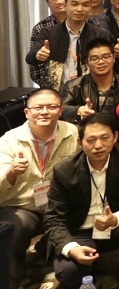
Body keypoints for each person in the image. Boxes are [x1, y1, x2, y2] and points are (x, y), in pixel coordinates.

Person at [44, 111, 119, 289]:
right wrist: (71, 248)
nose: (98, 145)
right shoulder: (64, 171)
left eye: (105, 138)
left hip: (115, 227)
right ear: (80, 143)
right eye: (91, 140)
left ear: (115, 137)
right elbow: (53, 218)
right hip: (81, 230)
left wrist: (117, 218)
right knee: (69, 273)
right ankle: (88, 265)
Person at [0, 89, 81, 287]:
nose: (44, 112)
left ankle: (50, 257)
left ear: (61, 110)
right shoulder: (9, 140)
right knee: (16, 229)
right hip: (23, 205)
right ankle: (15, 271)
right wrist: (11, 171)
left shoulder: (72, 132)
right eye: (38, 108)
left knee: (78, 225)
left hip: (59, 204)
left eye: (51, 107)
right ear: (27, 113)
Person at [26, 0, 113, 90]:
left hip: (90, 90)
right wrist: (38, 55)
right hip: (58, 90)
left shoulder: (100, 34)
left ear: (90, 7)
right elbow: (30, 58)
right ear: (65, 5)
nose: (79, 9)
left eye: (85, 5)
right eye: (74, 4)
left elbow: (110, 64)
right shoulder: (49, 32)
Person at [60, 38, 119, 139]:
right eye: (94, 58)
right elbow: (61, 110)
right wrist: (78, 110)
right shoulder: (73, 86)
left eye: (106, 56)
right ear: (87, 61)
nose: (101, 62)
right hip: (87, 141)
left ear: (114, 58)